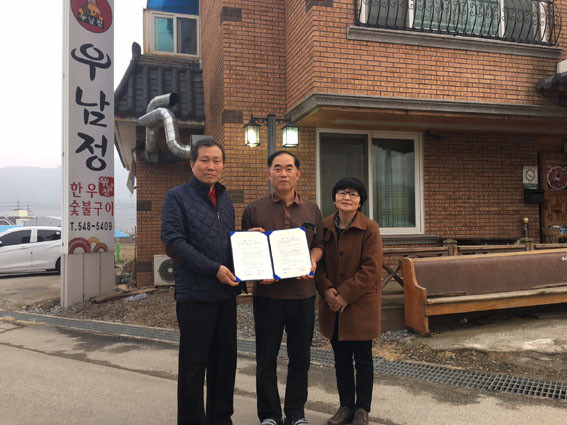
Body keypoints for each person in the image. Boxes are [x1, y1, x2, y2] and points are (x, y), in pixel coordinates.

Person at [161, 137, 242, 425]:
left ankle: (221, 419)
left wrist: (248, 241)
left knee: (224, 362)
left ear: (223, 165)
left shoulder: (225, 198)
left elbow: (225, 241)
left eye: (217, 161)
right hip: (195, 294)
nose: (211, 166)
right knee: (193, 366)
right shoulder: (177, 197)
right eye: (205, 160)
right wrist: (213, 269)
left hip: (225, 293)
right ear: (192, 163)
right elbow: (173, 243)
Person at [241, 151, 324, 425]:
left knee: (300, 358)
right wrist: (257, 271)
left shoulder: (312, 209)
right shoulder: (254, 210)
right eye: (277, 168)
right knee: (266, 358)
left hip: (302, 295)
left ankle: (296, 414)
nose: (283, 173)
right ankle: (269, 415)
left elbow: (319, 245)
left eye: (289, 168)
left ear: (298, 174)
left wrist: (312, 260)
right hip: (268, 297)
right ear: (269, 174)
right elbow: (246, 251)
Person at [315, 177, 383, 425]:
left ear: (360, 201)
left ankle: (362, 409)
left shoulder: (370, 228)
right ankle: (345, 407)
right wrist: (327, 290)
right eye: (342, 193)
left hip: (360, 304)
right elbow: (317, 263)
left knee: (363, 360)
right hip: (332, 305)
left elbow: (371, 268)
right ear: (334, 198)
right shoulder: (323, 226)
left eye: (353, 194)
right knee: (341, 360)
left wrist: (345, 294)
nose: (347, 197)